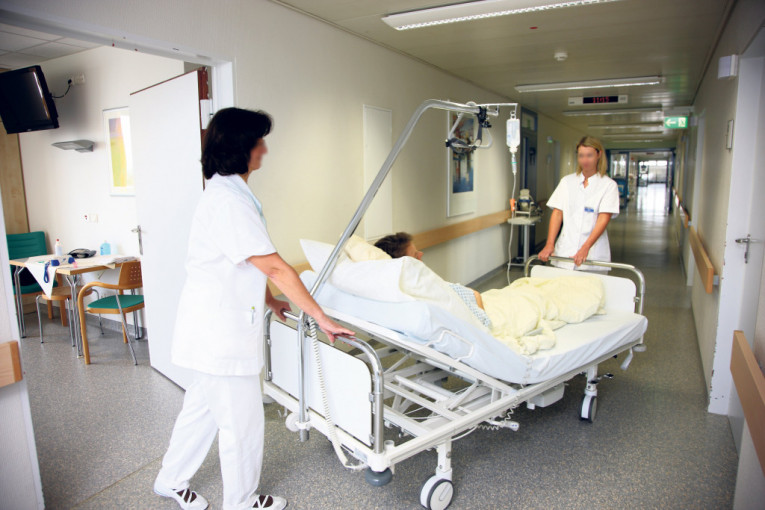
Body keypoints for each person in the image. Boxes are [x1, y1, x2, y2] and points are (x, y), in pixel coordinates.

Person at [153, 107, 353, 510]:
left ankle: (169, 480)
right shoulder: (229, 202)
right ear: (241, 148)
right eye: (259, 141)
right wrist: (320, 317)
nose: (264, 149)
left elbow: (243, 262)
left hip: (210, 329)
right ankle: (242, 502)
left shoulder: (228, 194)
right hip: (220, 336)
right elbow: (274, 266)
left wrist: (269, 300)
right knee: (241, 425)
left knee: (201, 410)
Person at [538, 136, 619, 270]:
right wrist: (549, 244)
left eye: (589, 155)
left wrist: (585, 247)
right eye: (581, 156)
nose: (585, 160)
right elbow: (557, 213)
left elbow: (603, 219)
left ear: (599, 155)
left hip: (593, 253)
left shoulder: (608, 185)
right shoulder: (567, 182)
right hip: (565, 250)